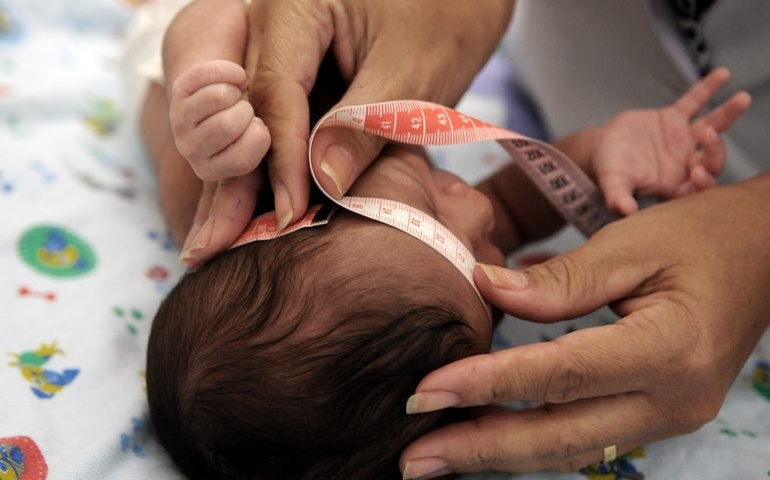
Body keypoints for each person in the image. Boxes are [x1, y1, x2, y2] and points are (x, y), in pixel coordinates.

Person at [133, 2, 751, 479]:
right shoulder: (423, 283)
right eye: (489, 267)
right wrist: (599, 154)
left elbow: (206, 20)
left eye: (430, 200)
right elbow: (511, 205)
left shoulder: (217, 187)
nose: (482, 206)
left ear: (287, 218)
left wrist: (205, 91)